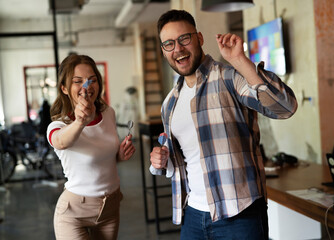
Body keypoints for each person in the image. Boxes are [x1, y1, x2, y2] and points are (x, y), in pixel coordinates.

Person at [149, 9, 297, 240]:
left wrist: (240, 60)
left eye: (184, 39)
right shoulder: (170, 103)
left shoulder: (229, 77)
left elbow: (285, 108)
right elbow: (185, 159)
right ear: (163, 50)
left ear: (199, 38)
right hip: (193, 216)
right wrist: (162, 159)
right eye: (169, 43)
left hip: (240, 214)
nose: (177, 48)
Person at [47, 54, 136, 240]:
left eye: (92, 80)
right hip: (74, 213)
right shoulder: (59, 126)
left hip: (110, 207)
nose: (86, 86)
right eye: (77, 81)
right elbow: (60, 142)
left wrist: (119, 154)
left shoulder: (108, 113)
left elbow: (104, 160)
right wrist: (80, 121)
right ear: (64, 88)